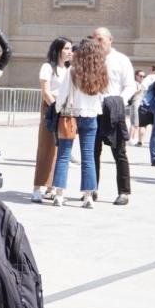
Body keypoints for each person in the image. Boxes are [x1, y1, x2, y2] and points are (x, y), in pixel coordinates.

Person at [51, 39, 107, 208]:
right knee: (88, 156)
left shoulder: (73, 71)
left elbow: (63, 94)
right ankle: (88, 196)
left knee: (63, 155)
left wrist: (58, 109)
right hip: (91, 116)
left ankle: (59, 195)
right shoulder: (101, 72)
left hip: (71, 115)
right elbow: (102, 96)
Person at [91, 28, 137, 205]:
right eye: (94, 39)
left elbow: (130, 86)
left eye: (100, 39)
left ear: (111, 39)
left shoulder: (121, 60)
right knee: (92, 153)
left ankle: (124, 192)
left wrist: (119, 101)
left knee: (119, 153)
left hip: (114, 111)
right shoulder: (90, 59)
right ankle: (91, 189)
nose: (97, 43)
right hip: (94, 111)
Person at [32, 37, 72, 203]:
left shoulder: (69, 69)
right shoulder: (48, 67)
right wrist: (56, 108)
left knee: (59, 150)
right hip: (51, 108)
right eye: (67, 48)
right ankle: (37, 187)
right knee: (46, 146)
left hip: (66, 109)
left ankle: (51, 187)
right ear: (58, 50)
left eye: (70, 49)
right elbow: (46, 92)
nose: (70, 52)